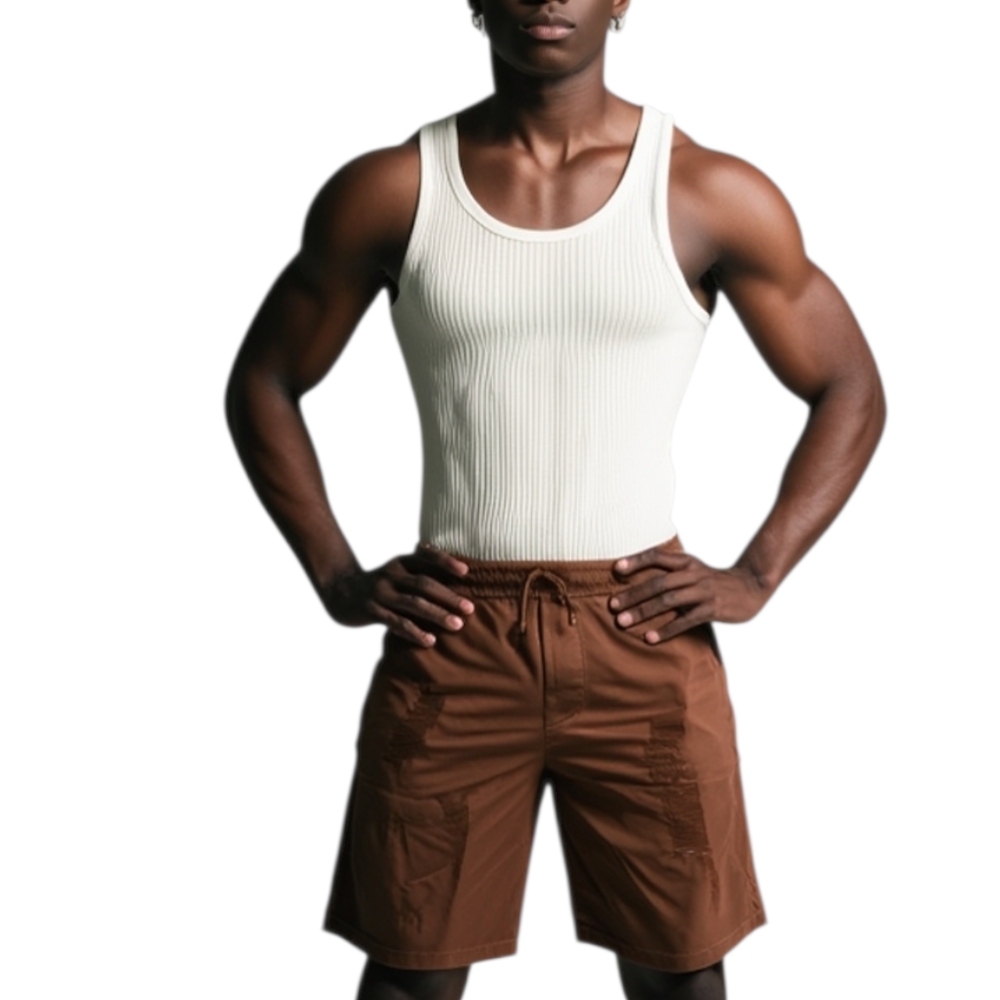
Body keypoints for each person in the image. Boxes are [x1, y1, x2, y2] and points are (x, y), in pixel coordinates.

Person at [225, 1, 885, 997]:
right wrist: (336, 576)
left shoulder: (705, 191)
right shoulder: (394, 190)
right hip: (455, 634)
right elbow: (265, 380)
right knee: (410, 972)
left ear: (622, 0)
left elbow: (848, 384)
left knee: (678, 971)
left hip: (641, 629)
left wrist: (757, 573)